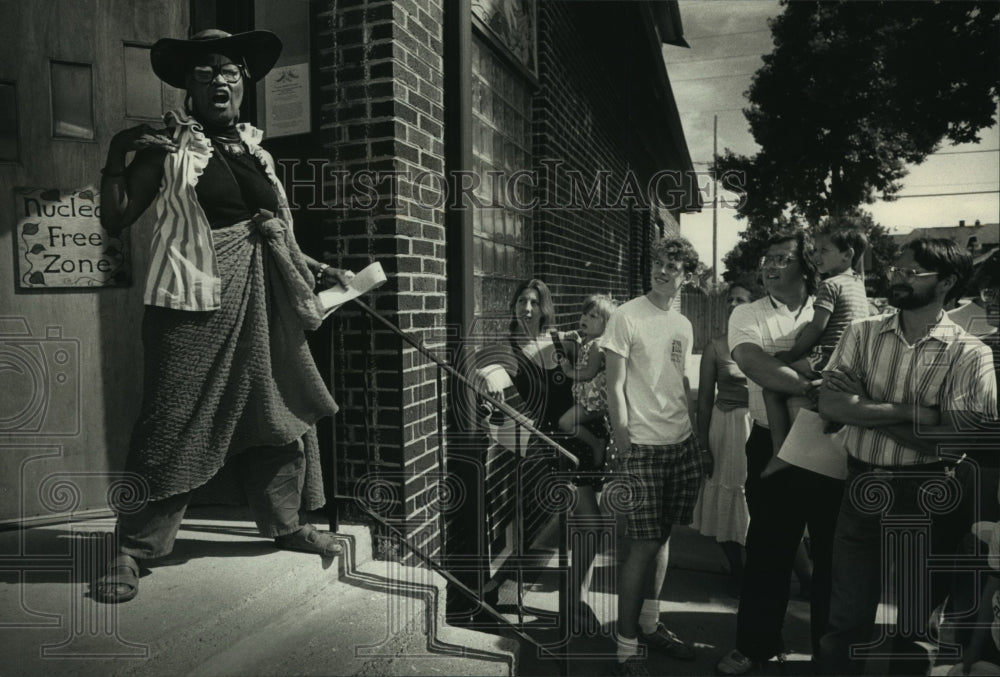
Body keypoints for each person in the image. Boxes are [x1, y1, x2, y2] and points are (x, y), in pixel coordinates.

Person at [94, 29, 355, 604]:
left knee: (278, 410)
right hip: (192, 299)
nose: (219, 81)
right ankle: (134, 548)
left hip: (262, 299)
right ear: (188, 84)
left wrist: (316, 265)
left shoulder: (255, 150)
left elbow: (270, 226)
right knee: (170, 420)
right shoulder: (168, 148)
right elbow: (115, 219)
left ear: (246, 83)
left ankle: (285, 523)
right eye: (206, 72)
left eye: (230, 71)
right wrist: (118, 155)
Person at [817, 238, 997, 675]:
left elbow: (953, 443)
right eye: (895, 269)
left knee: (917, 626)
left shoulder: (971, 353)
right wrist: (916, 413)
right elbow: (831, 405)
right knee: (846, 617)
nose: (895, 276)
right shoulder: (861, 333)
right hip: (864, 485)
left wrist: (868, 412)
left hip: (932, 493)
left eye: (909, 272)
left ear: (947, 282)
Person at [716, 229, 846, 676]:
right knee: (769, 549)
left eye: (781, 259)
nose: (769, 267)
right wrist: (814, 389)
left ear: (806, 265)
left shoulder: (836, 306)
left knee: (831, 555)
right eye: (766, 259)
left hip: (833, 444)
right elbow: (753, 362)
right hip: (771, 441)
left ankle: (826, 653)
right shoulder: (747, 313)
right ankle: (755, 645)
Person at [602, 237, 704, 676]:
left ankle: (649, 624)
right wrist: (625, 442)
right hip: (642, 447)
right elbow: (614, 386)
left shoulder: (683, 324)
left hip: (680, 444)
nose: (663, 272)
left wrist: (697, 438)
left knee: (663, 538)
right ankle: (625, 651)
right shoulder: (626, 316)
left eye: (673, 267)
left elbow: (682, 383)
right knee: (640, 545)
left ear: (687, 276)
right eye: (659, 264)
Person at [762, 227, 870, 459]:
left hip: (827, 356)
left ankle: (778, 452)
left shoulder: (830, 285)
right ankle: (829, 414)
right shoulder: (859, 285)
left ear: (847, 254)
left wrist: (791, 355)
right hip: (851, 360)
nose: (815, 257)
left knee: (771, 389)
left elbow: (817, 327)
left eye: (824, 250)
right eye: (814, 251)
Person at [690, 281, 755, 598]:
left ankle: (795, 575)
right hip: (724, 428)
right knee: (723, 500)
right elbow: (702, 401)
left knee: (759, 503)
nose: (733, 304)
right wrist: (703, 447)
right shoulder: (715, 346)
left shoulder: (765, 343)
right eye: (729, 299)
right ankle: (739, 571)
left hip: (757, 425)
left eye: (741, 299)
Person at [556, 294, 618, 465]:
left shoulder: (598, 345)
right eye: (584, 314)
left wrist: (569, 370)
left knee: (565, 423)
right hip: (588, 400)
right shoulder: (586, 340)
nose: (585, 318)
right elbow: (572, 339)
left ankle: (596, 444)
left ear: (606, 324)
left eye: (592, 316)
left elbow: (589, 373)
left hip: (596, 402)